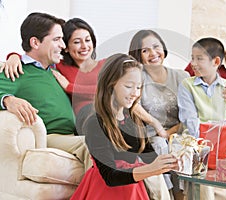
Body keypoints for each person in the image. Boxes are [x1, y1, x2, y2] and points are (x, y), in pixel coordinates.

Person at [2, 18, 165, 137]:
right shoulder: (58, 67)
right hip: (88, 123)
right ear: (67, 47)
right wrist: (14, 56)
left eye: (88, 40)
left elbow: (122, 94)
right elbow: (35, 58)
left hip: (115, 118)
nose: (84, 46)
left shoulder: (106, 65)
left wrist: (155, 123)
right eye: (77, 42)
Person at [70, 53, 178, 200]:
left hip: (133, 188)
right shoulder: (95, 123)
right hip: (105, 192)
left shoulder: (134, 120)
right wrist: (151, 169)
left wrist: (173, 161)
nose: (135, 93)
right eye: (129, 86)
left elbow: (150, 158)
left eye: (139, 87)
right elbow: (110, 177)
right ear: (111, 84)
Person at [0, 12, 92, 171]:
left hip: (74, 135)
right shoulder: (16, 69)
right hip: (51, 137)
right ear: (35, 43)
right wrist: (8, 99)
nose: (63, 46)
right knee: (94, 144)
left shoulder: (55, 70)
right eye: (57, 39)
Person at [178, 37, 226, 200]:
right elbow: (190, 120)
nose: (193, 63)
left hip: (223, 144)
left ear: (215, 61)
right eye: (192, 58)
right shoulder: (187, 85)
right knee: (203, 182)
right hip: (196, 144)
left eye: (199, 58)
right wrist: (207, 141)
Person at [129, 29, 189, 200]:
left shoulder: (181, 76)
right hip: (152, 136)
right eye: (145, 50)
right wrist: (156, 124)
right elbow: (133, 105)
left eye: (156, 47)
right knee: (159, 145)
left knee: (181, 146)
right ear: (138, 55)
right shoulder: (137, 77)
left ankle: (182, 195)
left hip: (179, 132)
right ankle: (167, 195)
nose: (153, 53)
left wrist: (170, 133)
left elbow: (189, 112)